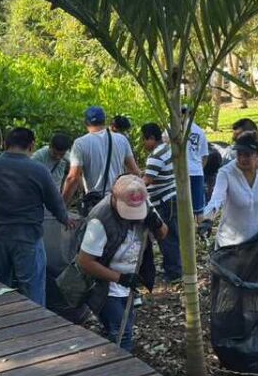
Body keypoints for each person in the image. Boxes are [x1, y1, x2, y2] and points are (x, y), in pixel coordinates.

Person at [0, 127, 75, 305]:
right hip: (27, 236)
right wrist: (65, 218)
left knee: (0, 287)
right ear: (31, 145)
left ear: (6, 144)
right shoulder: (38, 170)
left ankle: (2, 319)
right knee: (32, 289)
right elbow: (54, 201)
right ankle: (36, 321)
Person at [78, 175, 167, 350]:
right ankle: (121, 363)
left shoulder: (143, 203)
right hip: (104, 283)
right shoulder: (100, 220)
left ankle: (110, 350)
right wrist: (120, 278)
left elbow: (163, 234)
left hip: (129, 278)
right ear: (114, 199)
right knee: (122, 331)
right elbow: (85, 262)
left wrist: (157, 224)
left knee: (122, 325)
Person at [202, 132, 258, 248]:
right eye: (239, 154)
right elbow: (216, 199)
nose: (242, 159)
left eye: (247, 155)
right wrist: (208, 219)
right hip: (230, 244)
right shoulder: (226, 173)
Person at [63, 106, 140, 210]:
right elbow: (134, 171)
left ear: (86, 122)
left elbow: (73, 178)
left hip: (96, 204)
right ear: (105, 121)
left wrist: (62, 205)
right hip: (118, 201)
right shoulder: (122, 139)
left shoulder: (80, 143)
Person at [141, 122, 181, 282]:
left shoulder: (155, 156)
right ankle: (174, 267)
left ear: (151, 138)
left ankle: (174, 272)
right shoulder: (166, 148)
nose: (143, 144)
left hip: (163, 201)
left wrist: (131, 185)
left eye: (144, 140)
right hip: (170, 197)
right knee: (172, 235)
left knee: (166, 236)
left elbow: (146, 181)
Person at [183, 106, 210, 218]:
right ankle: (200, 228)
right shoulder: (199, 131)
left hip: (179, 174)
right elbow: (205, 155)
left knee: (182, 209)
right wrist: (199, 168)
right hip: (196, 172)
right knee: (198, 210)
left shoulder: (172, 129)